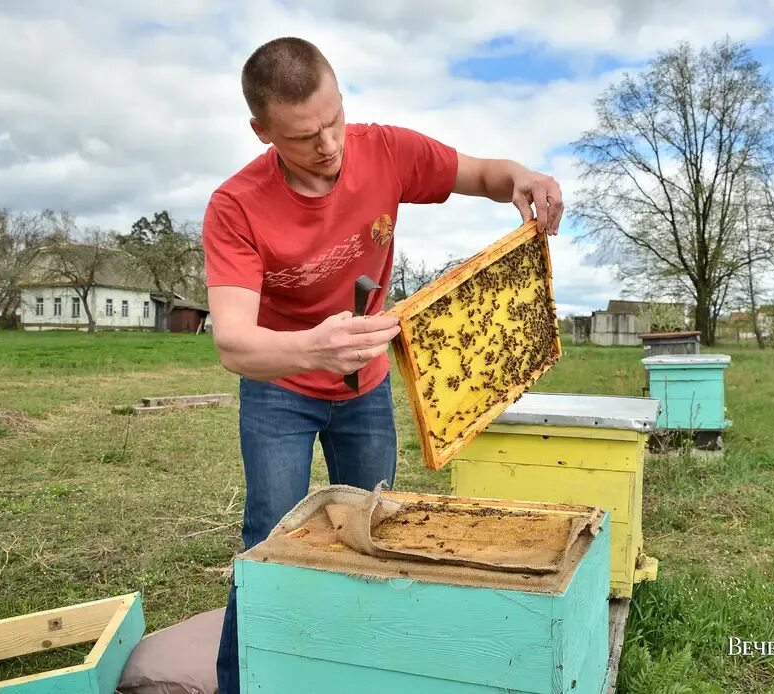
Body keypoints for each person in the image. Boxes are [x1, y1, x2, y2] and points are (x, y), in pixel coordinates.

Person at [202, 36, 563, 694]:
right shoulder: (236, 207)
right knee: (267, 539)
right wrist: (317, 346)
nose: (331, 145)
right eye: (306, 136)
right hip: (279, 390)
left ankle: (362, 669)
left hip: (366, 391)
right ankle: (240, 683)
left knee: (378, 530)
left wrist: (524, 178)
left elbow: (483, 173)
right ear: (262, 132)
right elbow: (232, 342)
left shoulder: (387, 150)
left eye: (335, 118)